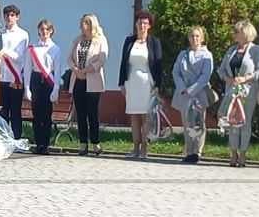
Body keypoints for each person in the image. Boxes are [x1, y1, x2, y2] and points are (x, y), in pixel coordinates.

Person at [217, 20, 259, 167]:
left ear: (245, 34)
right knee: (232, 123)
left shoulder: (256, 50)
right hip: (231, 90)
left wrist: (245, 78)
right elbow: (221, 70)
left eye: (236, 32)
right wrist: (227, 78)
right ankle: (233, 154)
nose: (234, 34)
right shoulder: (231, 50)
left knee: (244, 122)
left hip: (248, 91)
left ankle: (243, 154)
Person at [118, 12, 162, 159]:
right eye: (139, 23)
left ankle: (145, 148)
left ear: (149, 26)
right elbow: (123, 62)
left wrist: (158, 85)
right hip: (132, 82)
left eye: (145, 23)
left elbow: (158, 65)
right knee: (134, 116)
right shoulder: (129, 41)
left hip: (147, 82)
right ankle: (135, 147)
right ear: (136, 24)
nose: (142, 26)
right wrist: (121, 83)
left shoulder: (154, 42)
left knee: (146, 116)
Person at [172, 26, 214, 165]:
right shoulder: (183, 54)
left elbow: (205, 76)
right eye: (192, 36)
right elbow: (176, 72)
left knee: (198, 123)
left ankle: (197, 152)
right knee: (187, 122)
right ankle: (188, 151)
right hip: (184, 94)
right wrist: (183, 88)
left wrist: (192, 90)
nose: (194, 39)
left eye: (197, 36)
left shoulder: (207, 55)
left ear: (202, 38)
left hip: (199, 93)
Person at [67, 13, 108, 156]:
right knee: (81, 114)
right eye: (82, 23)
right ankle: (83, 143)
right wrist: (76, 69)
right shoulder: (77, 40)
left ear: (92, 25)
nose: (82, 26)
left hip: (93, 81)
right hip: (78, 80)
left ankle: (96, 143)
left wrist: (86, 70)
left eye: (85, 23)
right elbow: (70, 58)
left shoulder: (100, 40)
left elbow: (101, 60)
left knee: (92, 113)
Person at [25, 19, 63, 155]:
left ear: (51, 31)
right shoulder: (32, 48)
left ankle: (45, 144)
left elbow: (57, 71)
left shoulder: (55, 49)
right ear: (38, 31)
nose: (44, 32)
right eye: (42, 29)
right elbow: (28, 68)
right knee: (36, 115)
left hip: (48, 82)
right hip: (36, 80)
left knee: (47, 116)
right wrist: (27, 88)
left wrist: (56, 89)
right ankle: (38, 143)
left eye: (47, 30)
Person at [0, 5, 29, 140]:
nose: (9, 18)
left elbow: (19, 56)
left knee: (15, 112)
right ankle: (3, 138)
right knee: (2, 112)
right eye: (7, 15)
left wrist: (4, 52)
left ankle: (16, 139)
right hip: (1, 77)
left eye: (12, 15)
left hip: (14, 78)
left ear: (17, 17)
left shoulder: (23, 34)